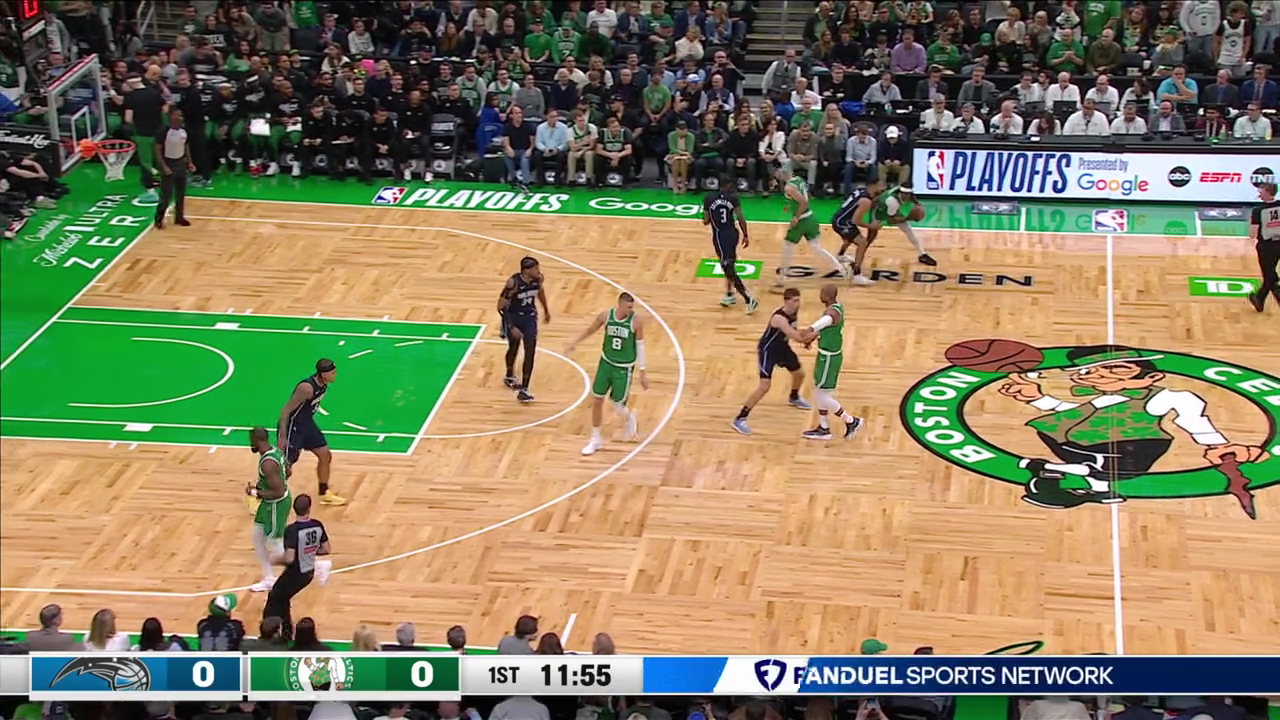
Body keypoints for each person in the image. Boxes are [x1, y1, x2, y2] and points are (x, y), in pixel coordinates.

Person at [565, 292, 650, 456]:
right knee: (597, 399)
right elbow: (590, 330)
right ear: (620, 305)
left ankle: (629, 417)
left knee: (617, 404)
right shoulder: (605, 316)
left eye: (632, 307)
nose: (631, 310)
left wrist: (642, 371)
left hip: (623, 368)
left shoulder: (636, 321)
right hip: (605, 363)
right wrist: (574, 343)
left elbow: (640, 346)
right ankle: (595, 439)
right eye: (628, 307)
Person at [732, 288, 814, 435]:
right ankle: (740, 418)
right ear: (786, 301)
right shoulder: (779, 318)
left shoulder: (794, 312)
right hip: (768, 351)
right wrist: (815, 333)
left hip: (782, 348)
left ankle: (794, 397)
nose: (798, 303)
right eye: (795, 301)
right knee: (764, 386)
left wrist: (805, 335)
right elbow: (795, 336)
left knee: (799, 374)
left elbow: (795, 330)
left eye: (798, 300)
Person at [262, 494, 331, 641]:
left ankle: (269, 634)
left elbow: (289, 558)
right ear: (309, 508)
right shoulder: (317, 525)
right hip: (308, 572)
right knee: (283, 598)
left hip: (296, 573)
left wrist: (275, 560)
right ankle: (286, 633)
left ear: (294, 509)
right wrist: (309, 552)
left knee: (274, 598)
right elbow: (326, 549)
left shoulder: (292, 530)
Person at [278, 359, 346, 506]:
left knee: (325, 455)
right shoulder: (306, 388)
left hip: (307, 424)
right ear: (323, 374)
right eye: (333, 373)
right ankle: (258, 492)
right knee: (284, 466)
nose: (335, 375)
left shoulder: (324, 384)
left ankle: (324, 492)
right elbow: (286, 410)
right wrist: (282, 436)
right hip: (293, 427)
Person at [801, 284, 863, 440]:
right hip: (827, 355)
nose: (820, 295)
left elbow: (822, 323)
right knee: (820, 392)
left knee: (822, 395)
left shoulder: (832, 313)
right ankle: (824, 428)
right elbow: (824, 328)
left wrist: (808, 331)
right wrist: (812, 338)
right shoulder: (836, 307)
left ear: (828, 296)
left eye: (822, 293)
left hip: (829, 358)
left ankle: (851, 421)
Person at [775, 165, 847, 290]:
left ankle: (781, 278)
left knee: (788, 247)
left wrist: (796, 217)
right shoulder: (799, 179)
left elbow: (803, 202)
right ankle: (839, 267)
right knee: (817, 247)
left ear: (783, 175)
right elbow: (807, 196)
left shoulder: (789, 187)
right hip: (810, 218)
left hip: (802, 220)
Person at [498, 257, 551, 403]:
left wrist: (546, 310)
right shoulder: (513, 283)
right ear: (526, 270)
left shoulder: (538, 279)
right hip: (514, 317)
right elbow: (501, 307)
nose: (538, 271)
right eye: (535, 268)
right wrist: (511, 327)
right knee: (513, 348)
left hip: (529, 317)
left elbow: (540, 292)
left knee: (530, 350)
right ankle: (509, 375)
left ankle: (524, 389)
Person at [702, 177, 758, 312]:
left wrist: (707, 216)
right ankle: (729, 294)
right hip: (733, 234)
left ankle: (748, 298)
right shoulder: (733, 198)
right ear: (728, 185)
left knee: (727, 267)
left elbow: (706, 221)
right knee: (730, 264)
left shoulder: (708, 198)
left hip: (720, 237)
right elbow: (741, 218)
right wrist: (745, 235)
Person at [246, 427, 290, 592]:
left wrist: (255, 492)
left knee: (275, 545)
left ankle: (313, 566)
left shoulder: (267, 463)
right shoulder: (276, 452)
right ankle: (269, 578)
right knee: (258, 538)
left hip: (276, 504)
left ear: (257, 441)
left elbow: (278, 491)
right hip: (270, 503)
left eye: (251, 440)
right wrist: (263, 485)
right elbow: (288, 471)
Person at [832, 182, 882, 286]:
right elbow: (856, 221)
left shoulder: (860, 190)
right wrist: (872, 226)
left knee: (849, 238)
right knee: (862, 243)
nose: (882, 188)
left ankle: (840, 255)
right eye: (880, 186)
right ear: (873, 185)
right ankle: (857, 274)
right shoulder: (866, 201)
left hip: (840, 218)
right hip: (842, 223)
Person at [153, 108, 194, 230]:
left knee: (181, 193)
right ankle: (159, 218)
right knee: (166, 195)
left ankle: (179, 217)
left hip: (180, 163)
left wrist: (189, 162)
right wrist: (164, 166)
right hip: (168, 162)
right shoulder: (163, 131)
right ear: (170, 116)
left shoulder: (184, 131)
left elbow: (186, 146)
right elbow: (157, 149)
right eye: (176, 115)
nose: (178, 118)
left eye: (180, 116)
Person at [1249, 182, 1280, 313]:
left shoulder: (1258, 210)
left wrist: (1250, 222)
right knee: (1270, 273)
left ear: (1268, 192)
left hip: (1266, 246)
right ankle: (1259, 299)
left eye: (1261, 193)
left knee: (1269, 275)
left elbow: (1252, 234)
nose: (1259, 195)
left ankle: (1276, 293)